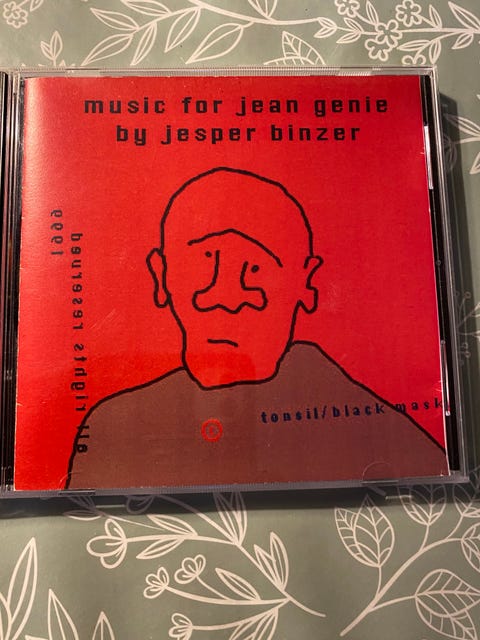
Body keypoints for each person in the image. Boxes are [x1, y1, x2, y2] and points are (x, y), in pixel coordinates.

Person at [66, 167, 448, 489]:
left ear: (306, 282)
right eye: (205, 262)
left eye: (256, 267)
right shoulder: (112, 427)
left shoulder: (368, 428)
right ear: (161, 275)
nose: (226, 295)